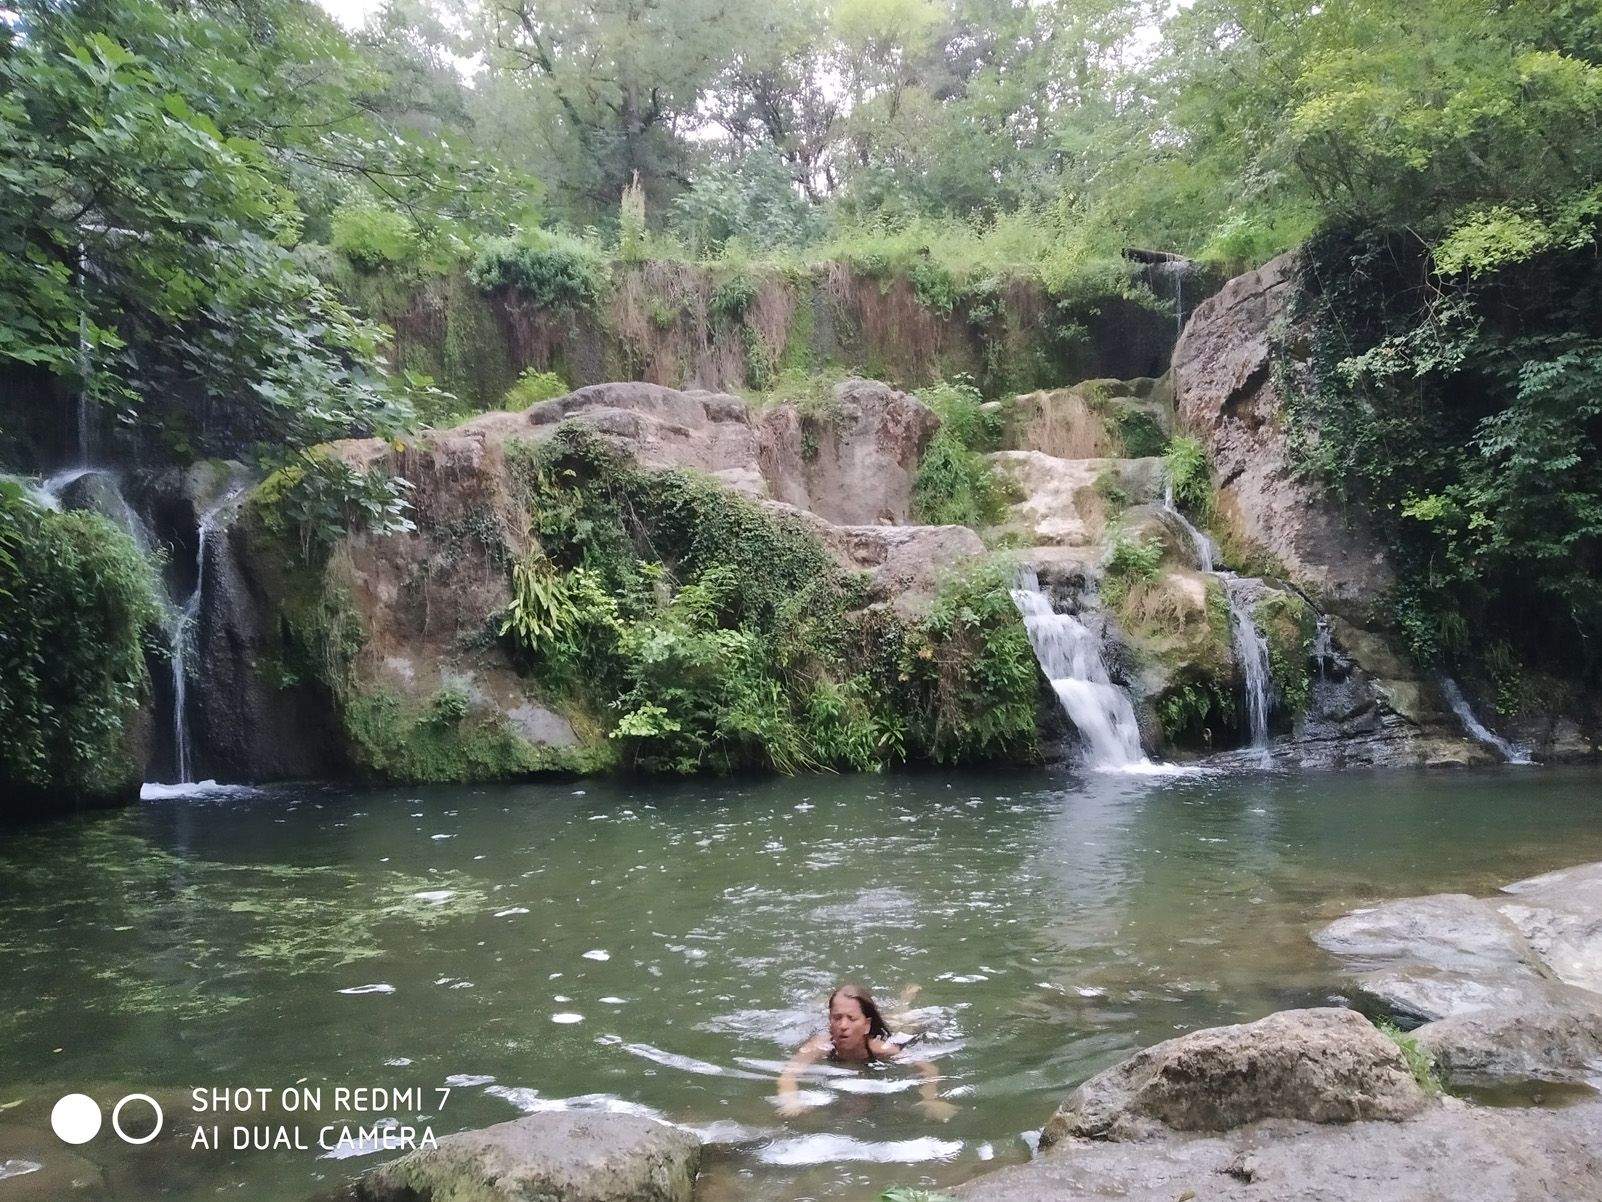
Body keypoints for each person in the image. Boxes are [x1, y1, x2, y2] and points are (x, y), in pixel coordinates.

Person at [775, 983, 956, 1121]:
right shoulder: (821, 1045)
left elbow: (929, 1069)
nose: (843, 1026)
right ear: (830, 1020)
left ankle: (904, 1001)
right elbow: (789, 1074)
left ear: (866, 1024)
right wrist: (791, 1101)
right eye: (837, 1018)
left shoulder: (880, 1048)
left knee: (902, 1023)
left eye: (851, 1019)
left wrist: (930, 1099)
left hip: (889, 1033)